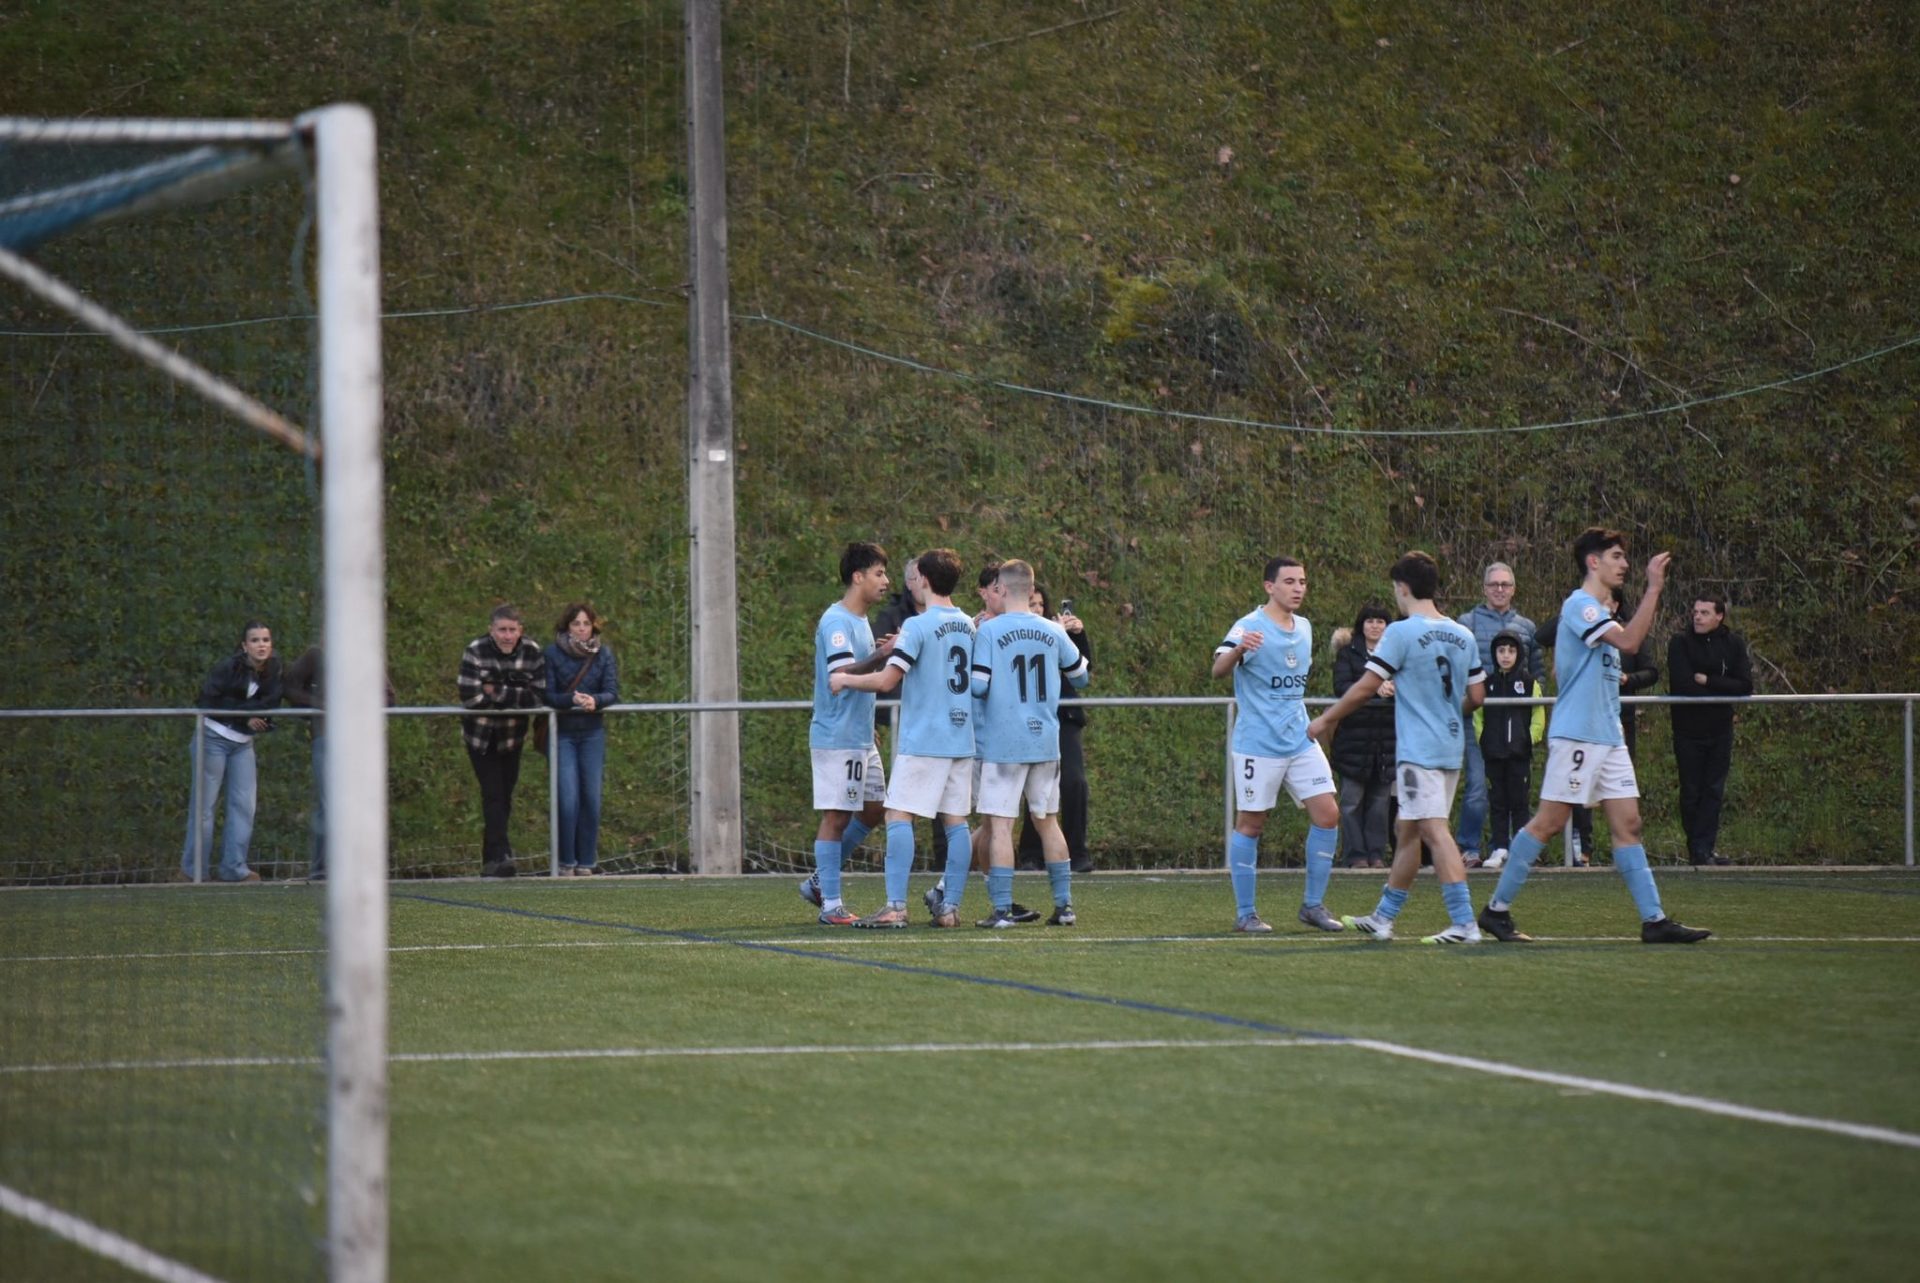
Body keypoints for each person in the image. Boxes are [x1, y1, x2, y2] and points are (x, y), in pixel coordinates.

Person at [1475, 529, 1712, 944]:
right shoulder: (1579, 605)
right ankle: (1496, 911)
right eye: (1617, 556)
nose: (1624, 564)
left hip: (1609, 735)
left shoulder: (1599, 610)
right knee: (1549, 823)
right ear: (1593, 562)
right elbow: (1631, 640)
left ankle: (1654, 920)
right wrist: (1654, 588)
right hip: (1578, 736)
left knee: (1629, 824)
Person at [1310, 551, 1487, 942]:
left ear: (1402, 588)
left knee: (1433, 830)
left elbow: (1364, 688)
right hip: (1450, 743)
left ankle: (1464, 922)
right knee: (1406, 829)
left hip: (1418, 750)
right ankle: (1383, 917)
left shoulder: (1402, 632)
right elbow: (1476, 695)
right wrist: (1442, 707)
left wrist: (1325, 719)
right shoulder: (1463, 634)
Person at [828, 548, 975, 928]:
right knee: (956, 821)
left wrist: (845, 679)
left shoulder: (918, 626)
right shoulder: (966, 625)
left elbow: (887, 680)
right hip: (961, 738)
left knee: (898, 813)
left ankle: (895, 906)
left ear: (924, 579)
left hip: (925, 737)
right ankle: (950, 908)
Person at [1211, 556, 1344, 934]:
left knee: (1328, 814)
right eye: (1289, 581)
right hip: (1258, 743)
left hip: (1300, 739)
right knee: (1251, 824)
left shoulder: (1304, 627)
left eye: (1302, 581)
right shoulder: (1249, 626)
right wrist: (1238, 651)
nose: (1298, 588)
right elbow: (1218, 669)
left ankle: (1313, 906)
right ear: (1269, 587)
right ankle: (1246, 913)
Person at [968, 559, 1090, 927]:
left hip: (1004, 743)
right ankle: (1064, 906)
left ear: (1002, 589)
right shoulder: (1052, 630)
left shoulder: (990, 631)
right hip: (1045, 741)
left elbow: (977, 685)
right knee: (1047, 822)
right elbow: (1082, 677)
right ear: (1031, 587)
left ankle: (1002, 909)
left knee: (1002, 826)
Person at [797, 542, 891, 925]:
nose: (886, 581)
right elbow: (843, 674)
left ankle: (821, 880)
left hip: (860, 737)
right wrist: (883, 656)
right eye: (879, 573)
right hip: (837, 737)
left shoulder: (861, 621)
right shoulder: (837, 621)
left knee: (875, 808)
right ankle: (831, 904)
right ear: (858, 577)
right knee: (836, 816)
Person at [1454, 563, 1545, 867]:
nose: (1499, 589)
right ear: (1484, 588)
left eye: (1505, 584)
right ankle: (1468, 848)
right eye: (1494, 584)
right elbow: (1457, 668)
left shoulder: (1527, 626)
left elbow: (1538, 675)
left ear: (1514, 588)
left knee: (1516, 791)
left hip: (1516, 723)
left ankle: (1506, 847)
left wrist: (1531, 725)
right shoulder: (1467, 622)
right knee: (1480, 786)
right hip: (1478, 718)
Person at [178, 620, 282, 883]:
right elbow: (208, 701)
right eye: (255, 640)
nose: (261, 645)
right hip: (213, 738)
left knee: (243, 805)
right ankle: (193, 871)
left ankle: (234, 868)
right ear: (244, 645)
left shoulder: (274, 669)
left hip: (243, 744)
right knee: (204, 807)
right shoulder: (228, 667)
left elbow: (270, 701)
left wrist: (253, 721)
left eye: (265, 640)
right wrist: (244, 717)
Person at [283, 644, 396, 880]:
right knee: (329, 804)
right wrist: (321, 705)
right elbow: (290, 687)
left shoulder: (366, 654)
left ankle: (359, 866)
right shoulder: (317, 655)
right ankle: (322, 868)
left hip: (359, 742)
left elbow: (389, 696)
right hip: (326, 737)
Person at [1567, 592, 1658, 866]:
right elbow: (1552, 651)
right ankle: (1583, 849)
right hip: (1580, 727)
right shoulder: (1577, 619)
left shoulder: (1619, 633)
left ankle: (1652, 908)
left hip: (1615, 725)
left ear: (1617, 606)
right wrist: (1653, 588)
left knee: (1629, 818)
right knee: (1550, 819)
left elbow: (1647, 666)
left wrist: (1628, 678)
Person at [457, 604, 546, 878]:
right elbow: (471, 697)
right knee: (493, 793)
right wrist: (515, 694)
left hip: (512, 737)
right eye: (502, 630)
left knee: (504, 795)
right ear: (491, 630)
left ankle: (491, 860)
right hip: (481, 737)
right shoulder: (475, 650)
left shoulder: (532, 651)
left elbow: (539, 696)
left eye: (512, 630)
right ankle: (501, 854)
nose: (507, 636)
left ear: (521, 630)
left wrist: (495, 690)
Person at [1668, 591, 1751, 866]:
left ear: (1719, 616)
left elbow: (1744, 685)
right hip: (1688, 729)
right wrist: (1708, 685)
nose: (1698, 617)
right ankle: (1696, 848)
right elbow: (1682, 684)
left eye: (1704, 613)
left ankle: (1706, 847)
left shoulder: (1734, 644)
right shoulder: (1680, 643)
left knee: (1713, 789)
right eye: (1695, 612)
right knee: (1691, 790)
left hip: (1720, 728)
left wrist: (1709, 681)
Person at [1016, 584, 1093, 875]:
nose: (1036, 610)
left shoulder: (1056, 633)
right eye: (1031, 604)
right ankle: (1031, 853)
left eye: (1039, 605)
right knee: (1034, 784)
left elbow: (1084, 670)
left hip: (1063, 715)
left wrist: (1075, 634)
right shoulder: (1020, 632)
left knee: (1074, 782)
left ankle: (1078, 851)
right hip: (1030, 715)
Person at [544, 603, 620, 875]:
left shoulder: (603, 654)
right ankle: (566, 861)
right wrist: (571, 700)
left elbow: (612, 692)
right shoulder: (552, 654)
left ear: (593, 627)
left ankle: (586, 862)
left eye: (586, 624)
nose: (582, 629)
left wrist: (595, 701)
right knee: (568, 798)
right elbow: (547, 695)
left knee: (591, 798)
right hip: (562, 733)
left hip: (592, 733)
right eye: (576, 624)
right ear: (567, 627)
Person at [1329, 604, 1396, 870]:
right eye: (1370, 621)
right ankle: (1355, 854)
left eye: (1381, 621)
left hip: (1387, 738)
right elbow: (1341, 686)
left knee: (1380, 803)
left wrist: (1395, 688)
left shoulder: (1397, 653)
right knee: (1351, 801)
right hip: (1354, 737)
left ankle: (1376, 854)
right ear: (1361, 625)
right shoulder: (1348, 654)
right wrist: (1373, 689)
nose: (1375, 626)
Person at [1476, 630, 1544, 871]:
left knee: (1520, 801)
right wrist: (1483, 738)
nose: (1506, 656)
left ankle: (1522, 848)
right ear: (1494, 654)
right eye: (1501, 651)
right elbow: (1478, 715)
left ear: (1519, 654)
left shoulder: (1528, 683)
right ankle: (1499, 847)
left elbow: (1538, 713)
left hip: (1519, 753)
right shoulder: (1488, 683)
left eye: (1511, 651)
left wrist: (1530, 739)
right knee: (1498, 801)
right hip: (1493, 754)